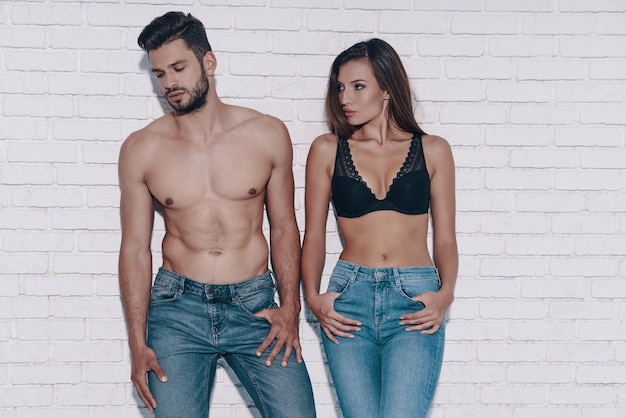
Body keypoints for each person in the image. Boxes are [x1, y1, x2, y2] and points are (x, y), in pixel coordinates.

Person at [118, 11, 315, 418]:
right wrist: (138, 344)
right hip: (176, 312)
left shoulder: (267, 134)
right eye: (159, 73)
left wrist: (291, 308)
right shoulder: (142, 149)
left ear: (208, 62)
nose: (169, 83)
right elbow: (136, 249)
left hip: (255, 304)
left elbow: (283, 228)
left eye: (178, 67)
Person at [302, 38, 458, 418]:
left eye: (358, 86)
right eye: (340, 87)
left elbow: (447, 238)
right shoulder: (327, 149)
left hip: (415, 298)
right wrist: (313, 296)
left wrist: (445, 294)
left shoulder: (433, 149)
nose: (345, 98)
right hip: (349, 297)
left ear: (386, 89)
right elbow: (313, 236)